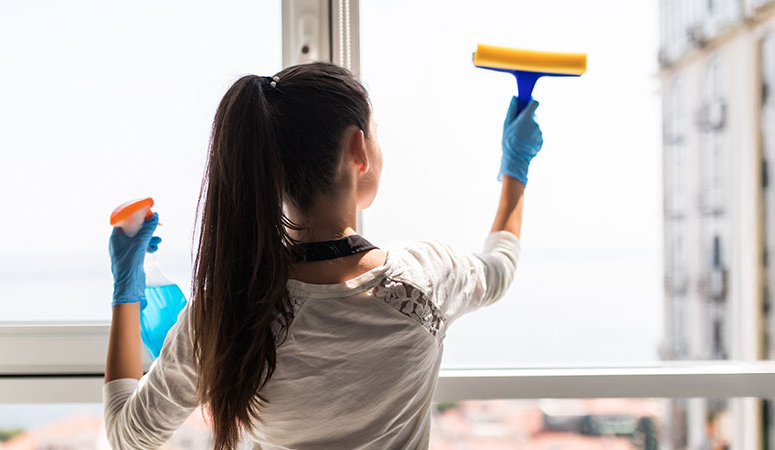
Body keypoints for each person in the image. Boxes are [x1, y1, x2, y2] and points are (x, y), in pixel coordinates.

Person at [103, 62, 542, 449]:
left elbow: (127, 436)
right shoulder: (426, 280)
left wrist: (126, 289)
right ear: (358, 149)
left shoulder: (227, 313)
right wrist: (515, 168)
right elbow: (500, 266)